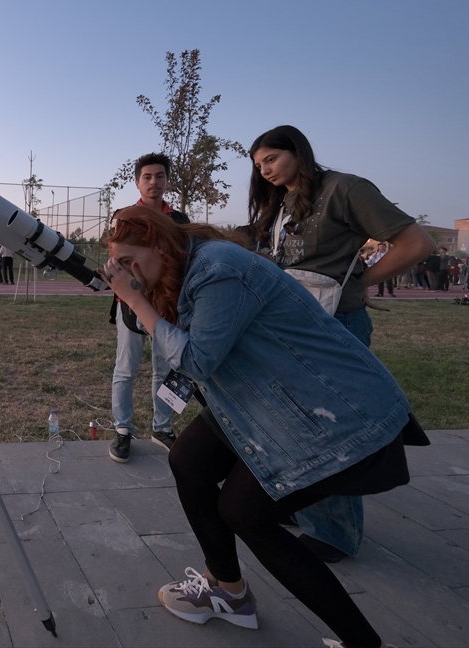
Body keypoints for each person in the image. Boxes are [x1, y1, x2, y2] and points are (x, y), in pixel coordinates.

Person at [101, 206, 424, 648]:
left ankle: (362, 642)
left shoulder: (218, 269)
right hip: (264, 397)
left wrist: (136, 298)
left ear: (160, 245)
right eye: (119, 265)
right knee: (189, 461)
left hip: (329, 411)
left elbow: (196, 359)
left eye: (130, 262)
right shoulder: (184, 263)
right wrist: (138, 296)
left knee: (245, 513)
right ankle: (228, 591)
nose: (126, 272)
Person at [248, 125, 434, 564]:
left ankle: (334, 533)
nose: (265, 170)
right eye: (259, 165)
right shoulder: (283, 202)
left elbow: (417, 242)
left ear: (298, 150)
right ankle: (304, 505)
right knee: (295, 424)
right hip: (293, 327)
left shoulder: (345, 189)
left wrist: (361, 283)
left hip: (336, 325)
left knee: (328, 429)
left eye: (271, 158)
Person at [108, 151, 188, 464]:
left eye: (159, 176)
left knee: (165, 370)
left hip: (167, 305)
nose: (154, 182)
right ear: (137, 182)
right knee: (125, 370)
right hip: (130, 303)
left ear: (167, 180)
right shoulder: (124, 216)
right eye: (147, 177)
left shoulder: (178, 220)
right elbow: (119, 259)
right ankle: (123, 430)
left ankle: (162, 427)